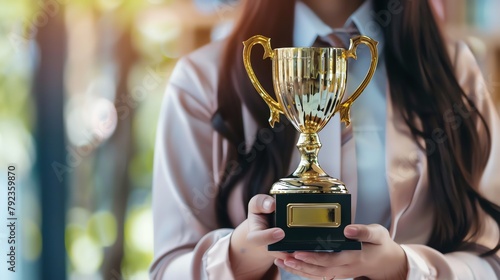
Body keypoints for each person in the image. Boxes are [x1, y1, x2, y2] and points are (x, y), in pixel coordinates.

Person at [149, 0, 500, 279]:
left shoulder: (453, 72)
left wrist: (406, 268)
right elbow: (168, 269)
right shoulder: (203, 80)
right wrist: (236, 257)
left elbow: (492, 260)